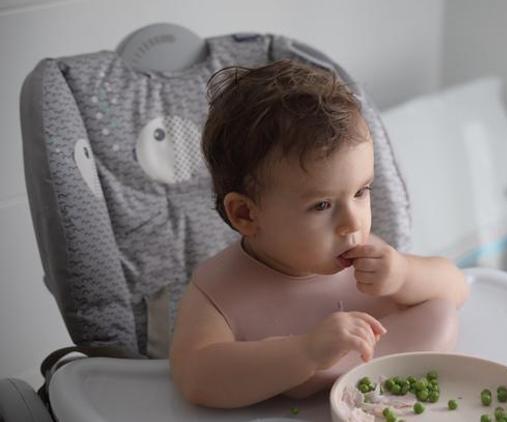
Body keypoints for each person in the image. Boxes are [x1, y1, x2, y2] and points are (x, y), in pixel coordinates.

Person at [169, 59, 469, 408]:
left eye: (361, 192)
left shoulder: (367, 255)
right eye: (322, 205)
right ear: (246, 214)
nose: (353, 222)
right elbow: (197, 378)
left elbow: (456, 289)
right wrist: (306, 353)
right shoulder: (217, 291)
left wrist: (403, 275)